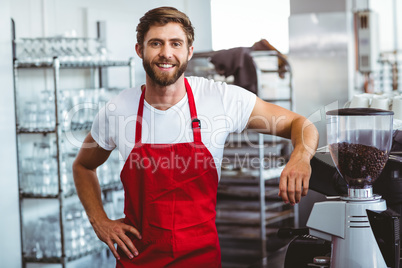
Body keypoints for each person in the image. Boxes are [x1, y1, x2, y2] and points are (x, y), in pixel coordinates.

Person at [72, 6, 319, 268]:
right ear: (139, 50)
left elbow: (300, 124)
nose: (166, 53)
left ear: (189, 51)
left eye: (175, 43)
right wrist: (99, 220)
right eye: (156, 43)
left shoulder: (220, 99)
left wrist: (300, 158)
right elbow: (83, 165)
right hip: (137, 260)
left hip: (200, 258)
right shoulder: (118, 109)